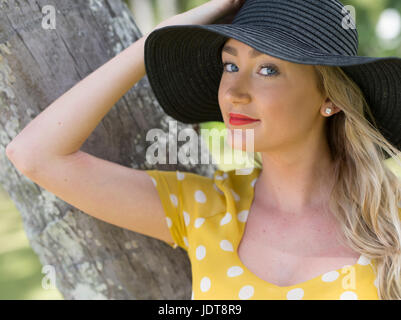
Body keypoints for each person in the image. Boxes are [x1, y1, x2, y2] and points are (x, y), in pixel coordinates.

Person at [5, 0, 401, 300]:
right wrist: (161, 36)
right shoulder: (203, 208)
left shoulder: (392, 219)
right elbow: (35, 155)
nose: (233, 91)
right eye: (230, 65)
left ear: (329, 98)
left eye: (267, 69)